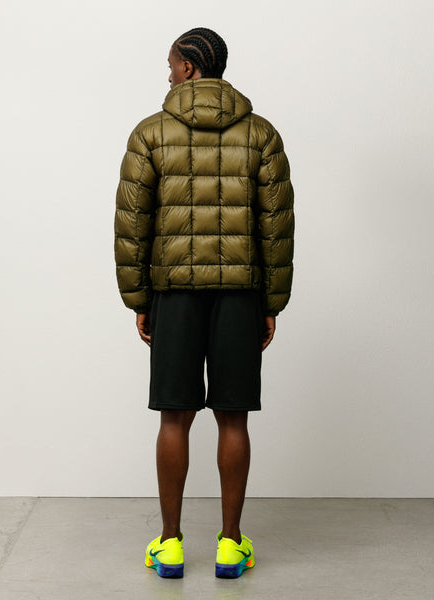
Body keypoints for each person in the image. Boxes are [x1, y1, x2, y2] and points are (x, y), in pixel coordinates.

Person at [114, 27, 294, 579]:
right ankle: (230, 545)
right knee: (232, 418)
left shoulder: (150, 133)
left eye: (171, 63)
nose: (167, 72)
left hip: (174, 293)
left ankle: (169, 545)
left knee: (175, 415)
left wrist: (139, 299)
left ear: (190, 67)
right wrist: (272, 303)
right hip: (241, 294)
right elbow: (277, 227)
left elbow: (132, 224)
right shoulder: (262, 134)